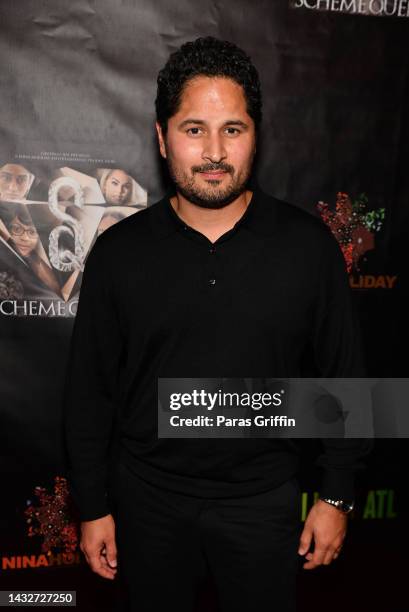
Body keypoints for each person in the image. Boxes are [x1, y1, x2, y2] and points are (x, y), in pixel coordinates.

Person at [64, 37, 373, 612]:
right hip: (146, 503)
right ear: (161, 138)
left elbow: (346, 380)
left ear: (256, 135)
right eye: (193, 129)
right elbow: (89, 391)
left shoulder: (308, 247)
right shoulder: (118, 252)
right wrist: (92, 504)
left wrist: (338, 495)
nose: (213, 151)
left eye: (232, 129)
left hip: (264, 503)